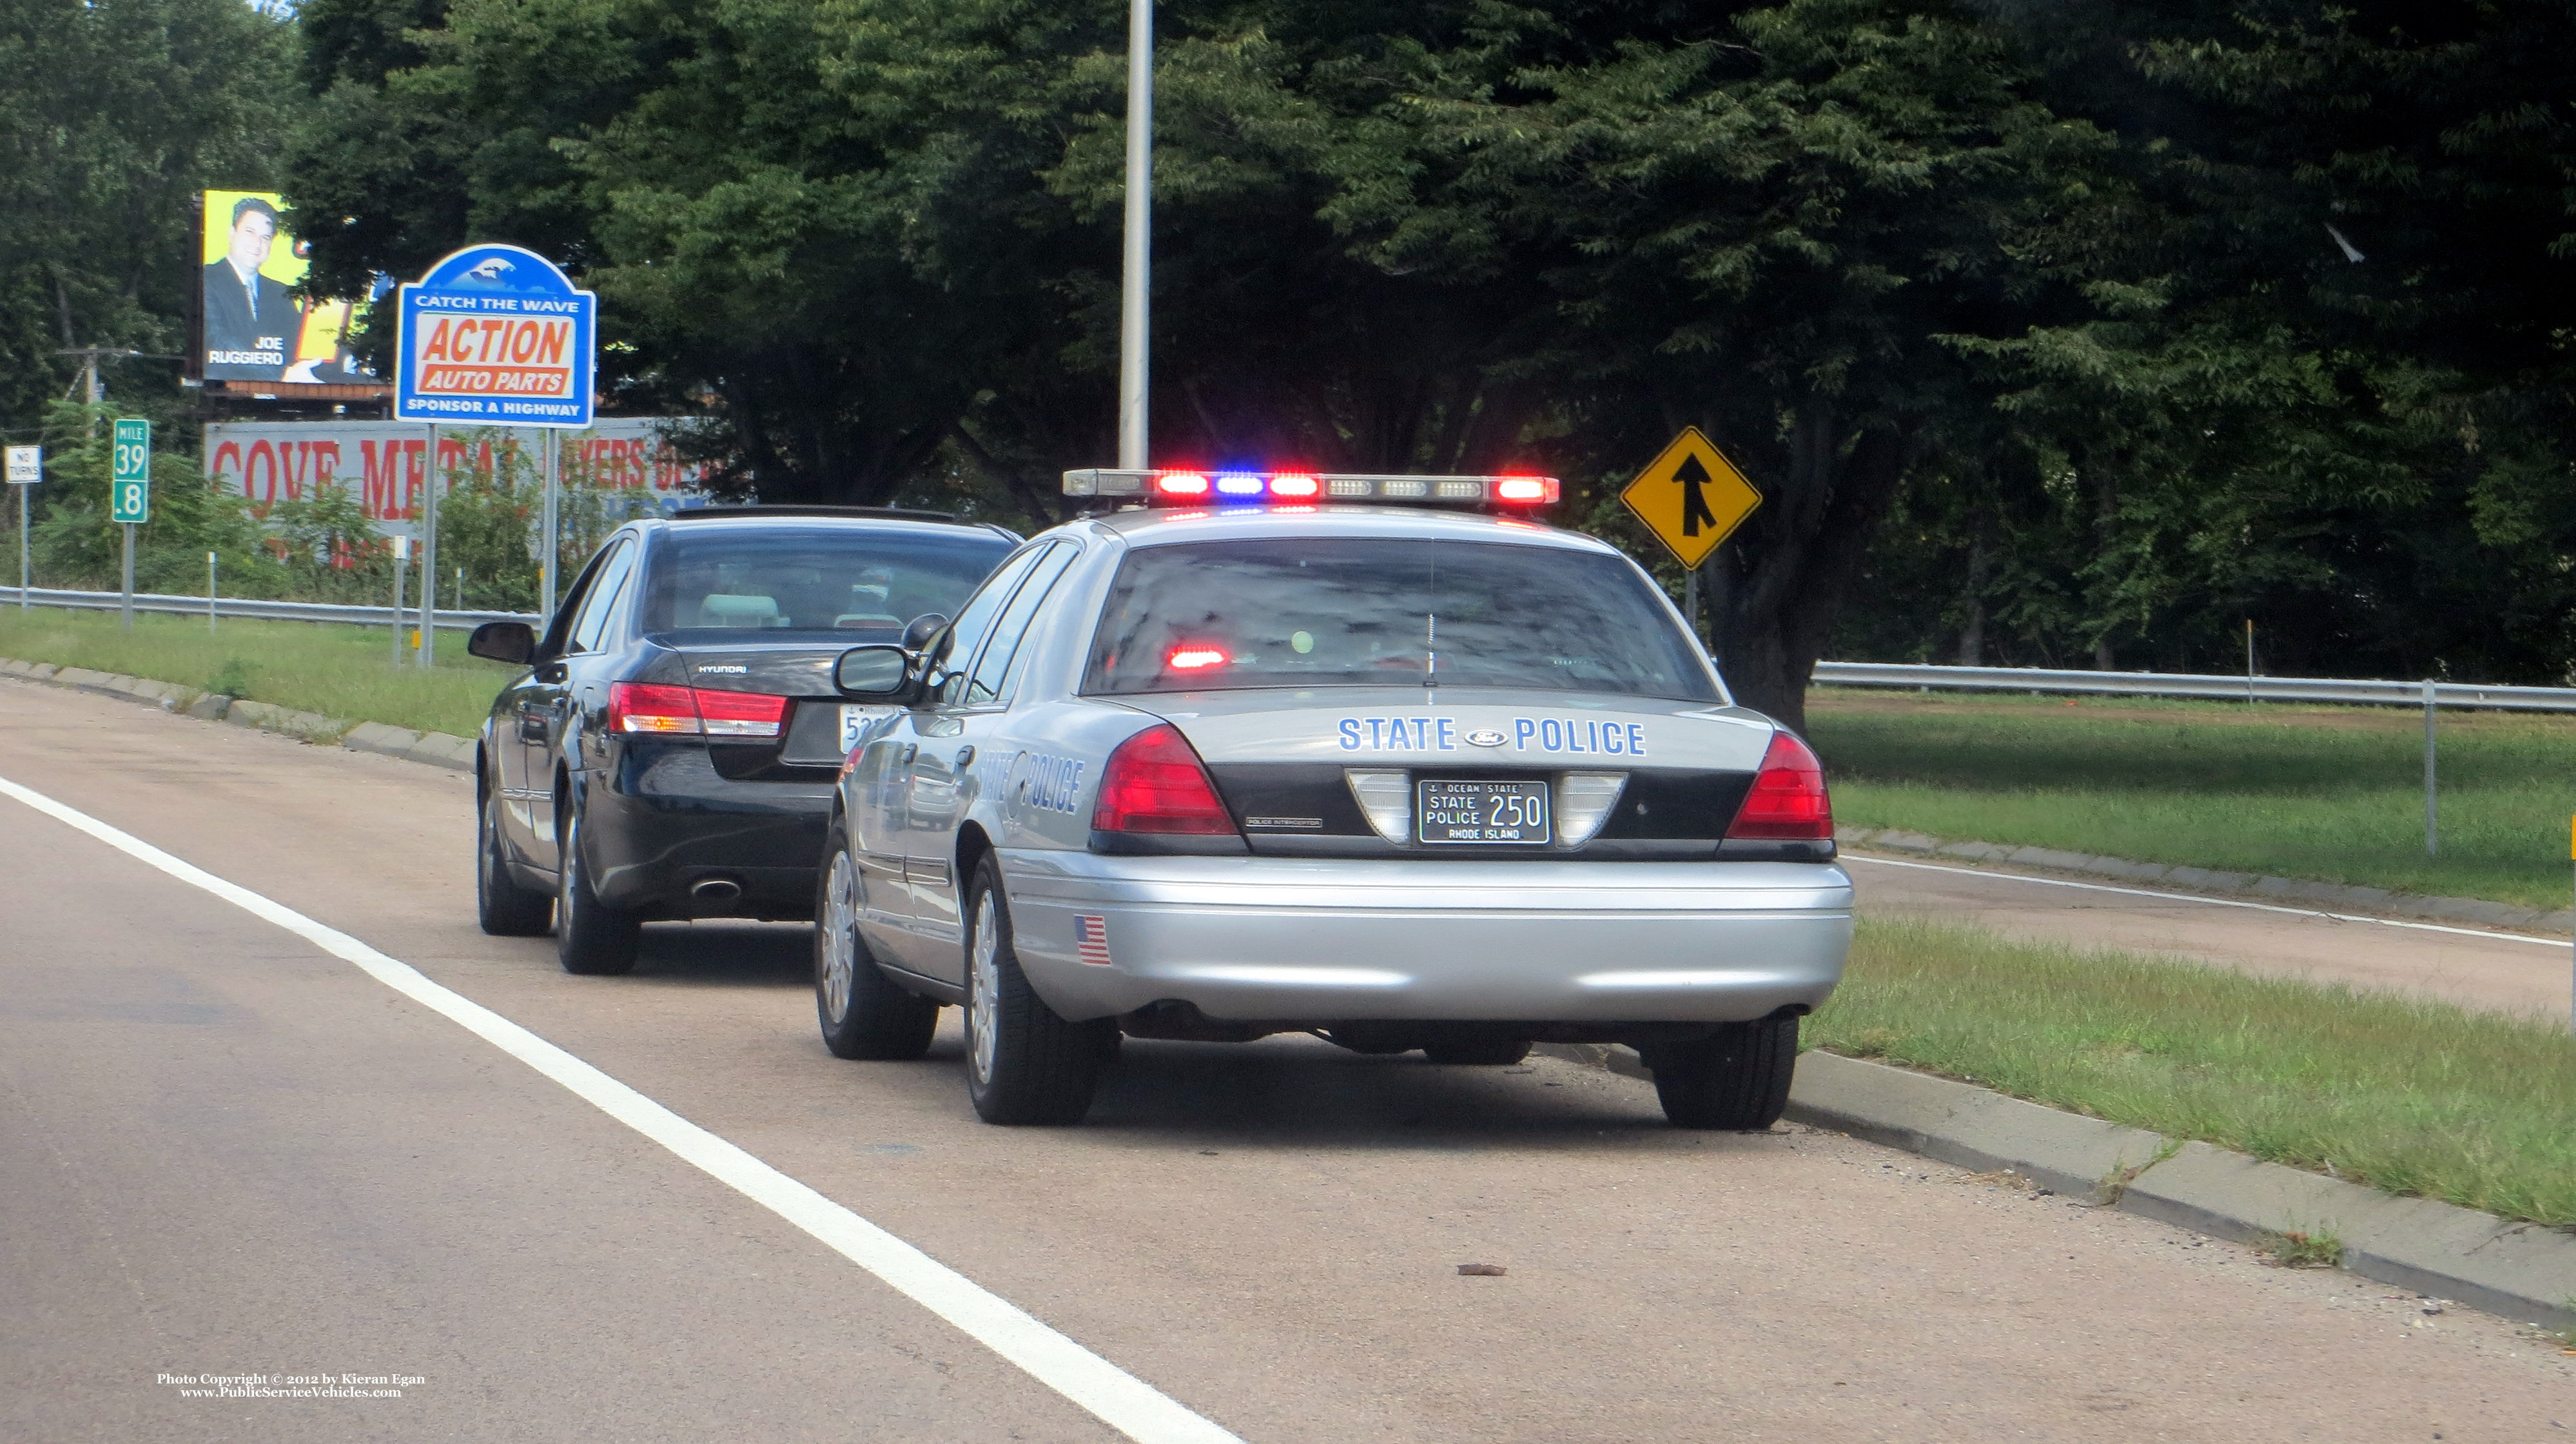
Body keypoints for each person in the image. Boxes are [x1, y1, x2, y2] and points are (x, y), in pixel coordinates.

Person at [202, 197, 299, 382]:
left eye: (266, 237)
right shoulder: (206, 278)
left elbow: (298, 343)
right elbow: (217, 340)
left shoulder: (281, 293)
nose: (257, 243)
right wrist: (281, 375)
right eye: (250, 232)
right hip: (222, 385)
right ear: (232, 234)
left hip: (279, 393)